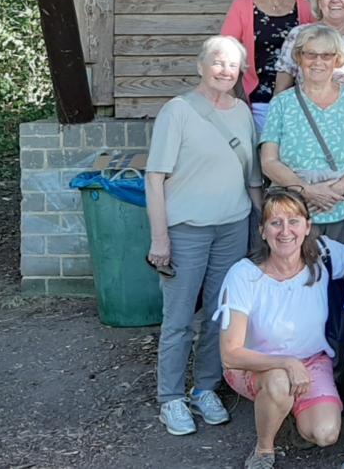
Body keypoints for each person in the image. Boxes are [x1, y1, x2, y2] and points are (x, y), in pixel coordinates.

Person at [144, 35, 258, 436]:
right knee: (178, 318)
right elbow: (154, 178)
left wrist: (261, 223)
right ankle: (170, 397)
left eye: (233, 65)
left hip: (232, 227)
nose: (225, 71)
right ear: (200, 66)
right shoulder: (177, 111)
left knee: (218, 314)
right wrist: (160, 238)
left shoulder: (242, 113)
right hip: (186, 230)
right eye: (218, 62)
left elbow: (252, 178)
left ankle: (205, 388)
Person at [215, 188, 344, 469]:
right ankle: (264, 449)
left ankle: (287, 411)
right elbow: (230, 354)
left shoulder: (324, 255)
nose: (285, 231)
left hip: (312, 360)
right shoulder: (244, 275)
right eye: (275, 223)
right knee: (279, 381)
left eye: (293, 221)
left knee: (325, 433)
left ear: (307, 226)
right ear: (262, 231)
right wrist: (286, 363)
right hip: (255, 365)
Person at [260, 25, 344, 248]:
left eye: (326, 55)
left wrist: (337, 190)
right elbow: (268, 161)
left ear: (337, 60)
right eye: (310, 54)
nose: (318, 61)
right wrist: (307, 191)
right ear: (299, 57)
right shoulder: (282, 103)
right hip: (296, 212)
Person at [221, 0, 314, 129]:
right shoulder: (242, 6)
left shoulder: (304, 6)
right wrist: (230, 98)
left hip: (299, 99)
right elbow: (224, 52)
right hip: (259, 100)